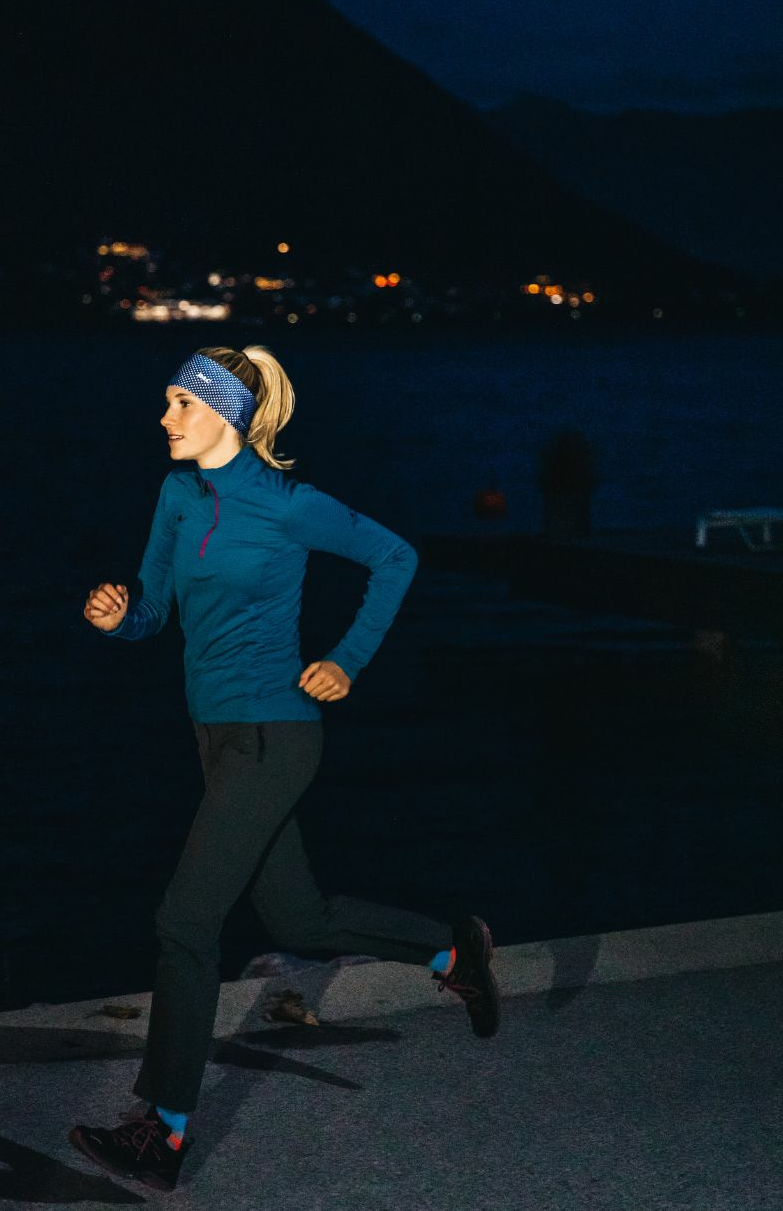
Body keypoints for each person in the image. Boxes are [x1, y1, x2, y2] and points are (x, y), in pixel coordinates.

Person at [70, 345, 499, 1192]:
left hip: (276, 736)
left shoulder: (288, 504)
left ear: (226, 415)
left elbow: (395, 557)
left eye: (181, 405)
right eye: (167, 402)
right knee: (299, 919)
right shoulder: (177, 495)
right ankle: (453, 951)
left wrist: (346, 659)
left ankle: (163, 1131)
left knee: (185, 922)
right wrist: (116, 618)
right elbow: (153, 610)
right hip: (215, 735)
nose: (164, 418)